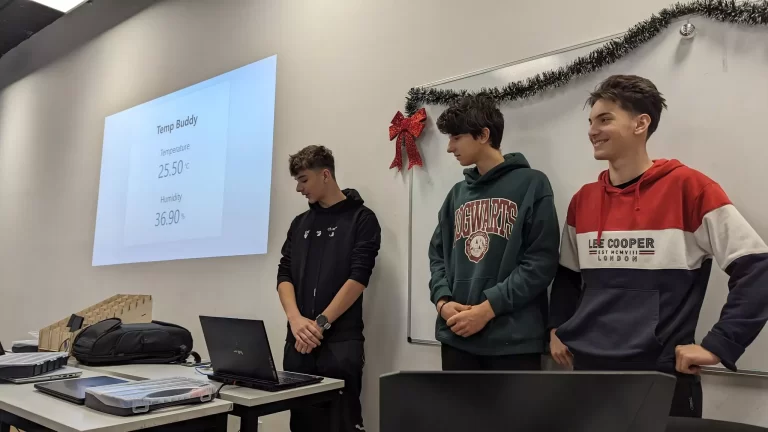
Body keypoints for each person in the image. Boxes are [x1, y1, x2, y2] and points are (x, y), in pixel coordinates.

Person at [549, 75, 768, 417]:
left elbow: (758, 268)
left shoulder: (690, 189)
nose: (592, 131)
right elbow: (568, 275)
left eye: (604, 119)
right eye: (590, 122)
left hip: (661, 376)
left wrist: (719, 344)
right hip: (589, 370)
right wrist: (556, 327)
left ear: (641, 123)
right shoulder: (583, 200)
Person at [429, 94, 561, 371]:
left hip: (513, 342)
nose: (450, 147)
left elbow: (541, 262)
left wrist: (487, 310)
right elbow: (438, 256)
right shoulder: (456, 195)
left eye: (456, 137)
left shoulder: (532, 184)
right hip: (456, 338)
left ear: (483, 135)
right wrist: (442, 302)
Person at [277, 145, 381, 432]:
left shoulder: (362, 219)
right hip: (298, 342)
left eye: (303, 180)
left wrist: (320, 324)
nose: (299, 188)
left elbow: (359, 277)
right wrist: (295, 320)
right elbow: (284, 274)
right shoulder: (299, 224)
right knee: (301, 423)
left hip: (340, 344)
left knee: (341, 422)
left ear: (325, 175)